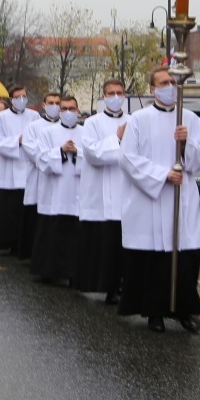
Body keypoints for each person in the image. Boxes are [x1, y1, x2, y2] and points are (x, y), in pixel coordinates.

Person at [119, 67, 200, 333]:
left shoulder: (190, 119)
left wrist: (187, 142)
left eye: (173, 82)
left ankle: (184, 310)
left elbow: (199, 160)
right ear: (152, 89)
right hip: (150, 199)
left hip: (182, 199)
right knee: (153, 261)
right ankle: (154, 313)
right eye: (164, 83)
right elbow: (127, 158)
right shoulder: (138, 119)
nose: (170, 87)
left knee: (183, 257)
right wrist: (162, 174)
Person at [76, 80, 128, 302]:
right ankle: (106, 286)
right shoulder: (92, 123)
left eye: (119, 93)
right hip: (100, 191)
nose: (115, 97)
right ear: (103, 95)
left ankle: (123, 286)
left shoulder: (134, 121)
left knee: (125, 244)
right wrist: (117, 138)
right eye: (111, 93)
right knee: (105, 243)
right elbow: (93, 154)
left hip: (126, 189)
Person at [30, 95, 85, 284]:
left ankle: (73, 273)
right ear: (60, 111)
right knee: (51, 232)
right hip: (53, 191)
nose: (68, 112)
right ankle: (49, 271)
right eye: (64, 109)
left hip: (77, 192)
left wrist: (78, 152)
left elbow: (93, 157)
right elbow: (40, 158)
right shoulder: (48, 132)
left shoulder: (86, 133)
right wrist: (61, 151)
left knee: (74, 234)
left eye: (72, 108)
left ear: (78, 111)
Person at [0, 87, 39, 252]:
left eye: (24, 96)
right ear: (11, 99)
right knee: (9, 209)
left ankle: (24, 244)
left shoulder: (34, 116)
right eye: (18, 97)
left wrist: (30, 143)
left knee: (25, 209)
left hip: (28, 165)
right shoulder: (2, 117)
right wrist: (17, 140)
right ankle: (8, 242)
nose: (22, 99)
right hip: (8, 169)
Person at [17, 92, 62, 259]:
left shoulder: (66, 127)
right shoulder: (34, 127)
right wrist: (56, 156)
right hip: (37, 176)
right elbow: (31, 151)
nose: (54, 106)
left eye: (58, 103)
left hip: (61, 179)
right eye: (51, 102)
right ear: (44, 105)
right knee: (35, 218)